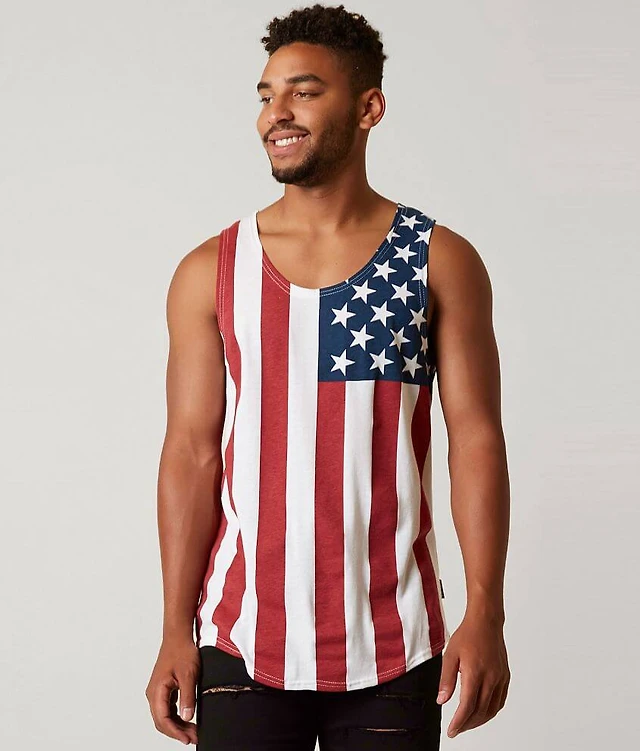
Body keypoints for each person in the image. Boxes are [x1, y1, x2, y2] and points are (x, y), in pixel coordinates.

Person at [145, 4, 510, 748]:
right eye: (266, 95)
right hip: (242, 636)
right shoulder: (210, 270)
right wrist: (174, 628)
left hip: (395, 639)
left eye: (304, 92)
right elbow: (191, 452)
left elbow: (476, 440)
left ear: (369, 107)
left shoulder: (439, 260)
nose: (275, 113)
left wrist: (486, 612)